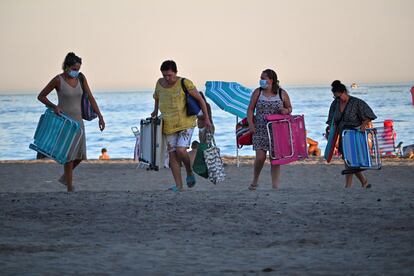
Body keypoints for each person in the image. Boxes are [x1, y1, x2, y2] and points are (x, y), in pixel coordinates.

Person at [37, 52, 105, 192]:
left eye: (78, 69)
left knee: (80, 155)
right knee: (68, 156)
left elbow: (90, 97)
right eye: (74, 69)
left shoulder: (80, 78)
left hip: (78, 122)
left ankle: (64, 177)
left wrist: (100, 116)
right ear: (66, 67)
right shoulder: (58, 80)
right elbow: (41, 96)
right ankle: (69, 186)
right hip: (65, 122)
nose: (76, 71)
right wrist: (54, 107)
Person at [151, 60, 211, 192]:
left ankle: (189, 172)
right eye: (164, 75)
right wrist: (155, 111)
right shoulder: (159, 83)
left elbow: (201, 100)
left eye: (170, 75)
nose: (167, 78)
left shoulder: (185, 83)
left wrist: (206, 118)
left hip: (186, 123)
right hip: (168, 124)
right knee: (172, 154)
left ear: (176, 72)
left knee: (181, 150)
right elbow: (157, 97)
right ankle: (179, 186)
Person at [247, 69, 292, 190]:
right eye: (260, 78)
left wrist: (285, 111)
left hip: (277, 130)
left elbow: (289, 108)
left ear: (271, 80)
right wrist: (251, 124)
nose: (261, 80)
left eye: (263, 78)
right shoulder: (258, 92)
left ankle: (275, 186)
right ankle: (255, 180)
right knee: (260, 157)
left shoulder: (282, 93)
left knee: (275, 159)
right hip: (260, 128)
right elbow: (250, 109)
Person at [326, 80, 376, 188]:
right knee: (348, 160)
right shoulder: (335, 104)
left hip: (354, 135)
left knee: (351, 160)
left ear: (344, 92)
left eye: (339, 97)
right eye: (335, 97)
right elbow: (331, 120)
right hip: (343, 135)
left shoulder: (356, 102)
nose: (337, 99)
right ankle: (362, 182)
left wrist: (364, 124)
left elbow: (369, 115)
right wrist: (329, 130)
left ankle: (353, 184)